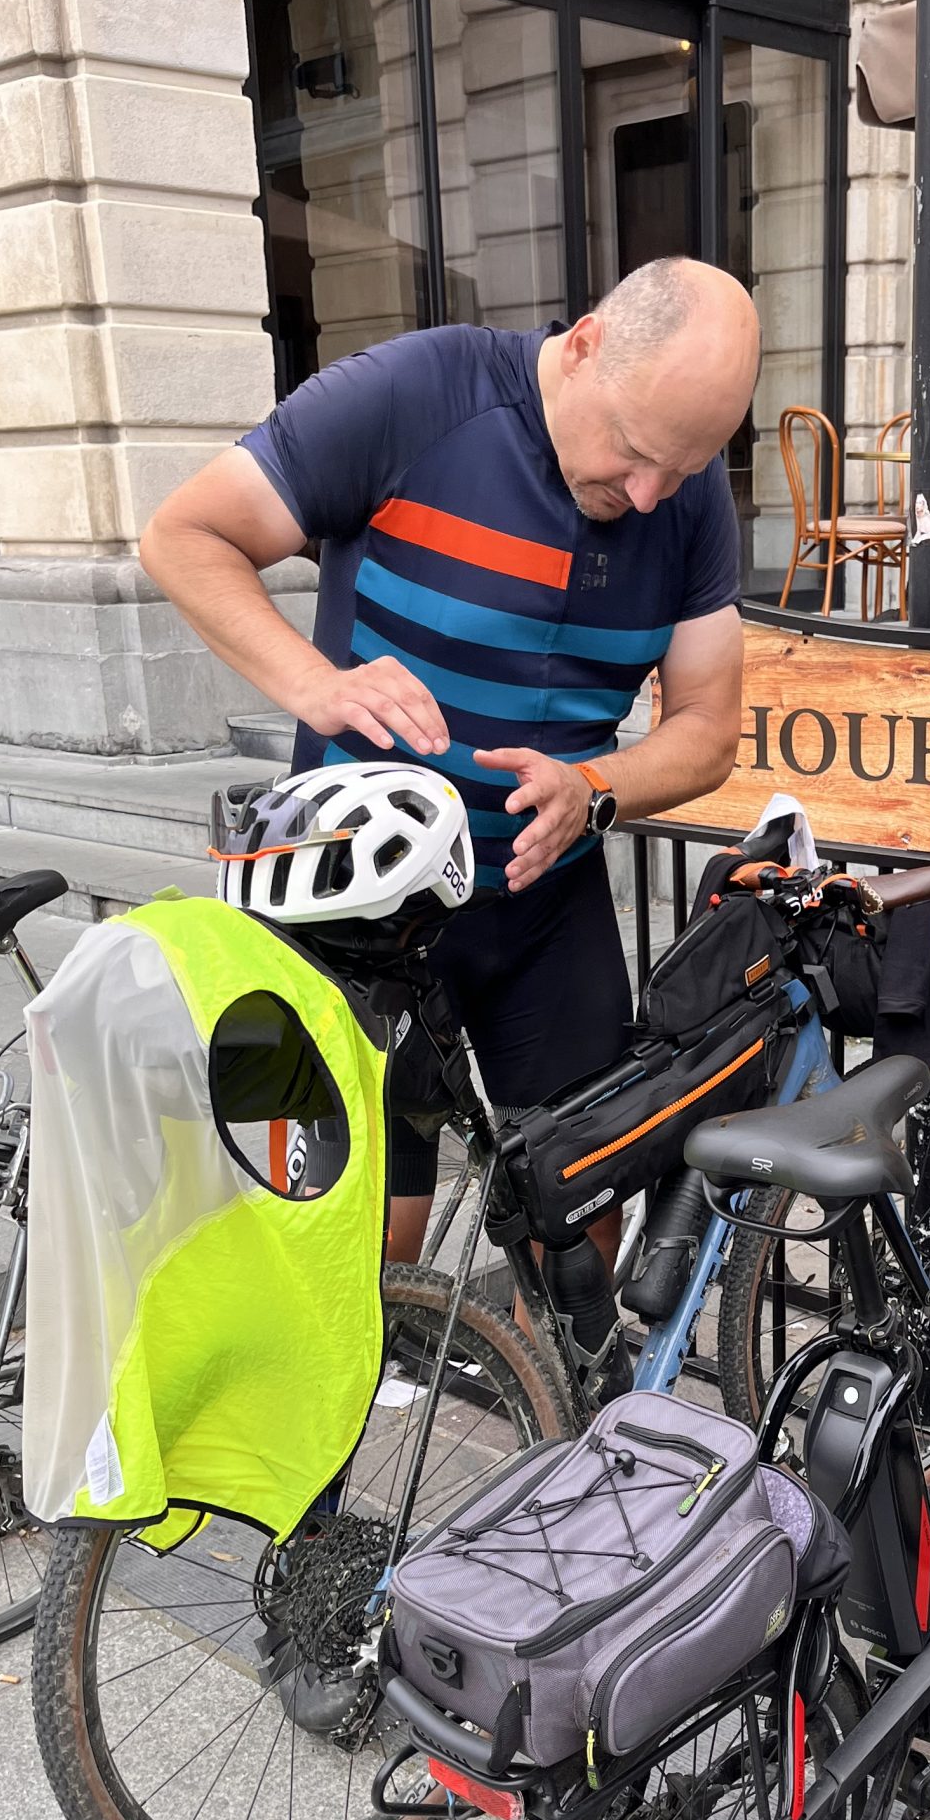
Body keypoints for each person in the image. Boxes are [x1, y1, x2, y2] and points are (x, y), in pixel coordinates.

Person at [141, 256, 761, 1263]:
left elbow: (707, 728)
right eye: (635, 450)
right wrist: (314, 684)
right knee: (365, 1240)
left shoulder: (683, 503)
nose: (651, 496)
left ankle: (547, 1373)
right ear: (587, 347)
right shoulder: (417, 392)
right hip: (356, 904)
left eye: (685, 470)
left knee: (582, 1211)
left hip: (542, 902)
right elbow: (184, 534)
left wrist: (595, 788)